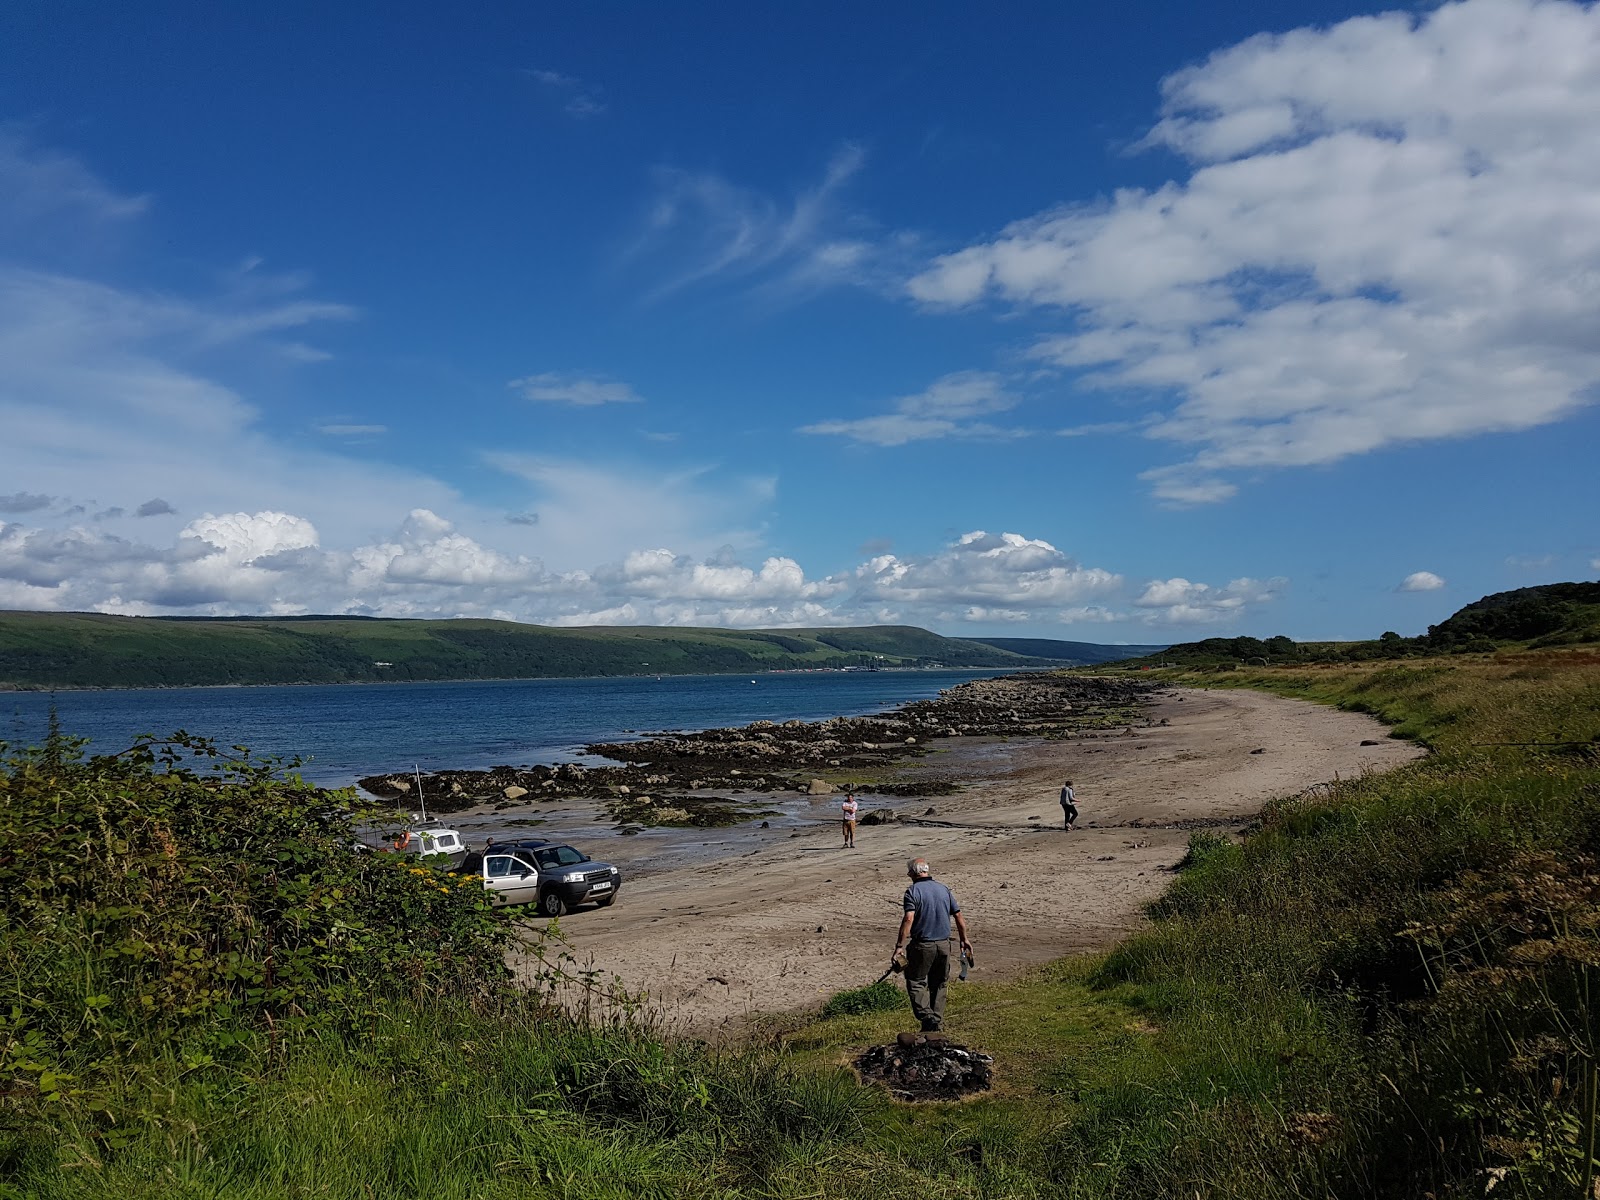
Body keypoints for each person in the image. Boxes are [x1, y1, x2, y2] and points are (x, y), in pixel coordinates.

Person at [891, 857, 972, 1033]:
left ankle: (927, 1018)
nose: (908, 874)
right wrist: (964, 939)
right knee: (939, 983)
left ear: (914, 872)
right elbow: (958, 916)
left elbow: (909, 918)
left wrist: (899, 946)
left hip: (922, 945)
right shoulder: (943, 889)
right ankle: (935, 1023)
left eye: (909, 871)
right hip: (944, 944)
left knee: (916, 981)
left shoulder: (912, 891)